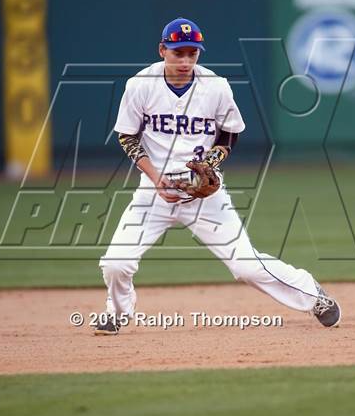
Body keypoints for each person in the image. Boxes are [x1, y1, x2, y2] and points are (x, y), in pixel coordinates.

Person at [96, 17, 341, 335]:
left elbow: (229, 134)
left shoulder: (216, 86)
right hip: (153, 192)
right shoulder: (140, 85)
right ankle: (116, 312)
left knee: (246, 266)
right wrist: (156, 178)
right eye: (177, 53)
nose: (185, 60)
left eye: (192, 53)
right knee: (116, 263)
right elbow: (126, 136)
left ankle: (313, 295)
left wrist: (209, 165)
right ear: (162, 50)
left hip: (204, 196)